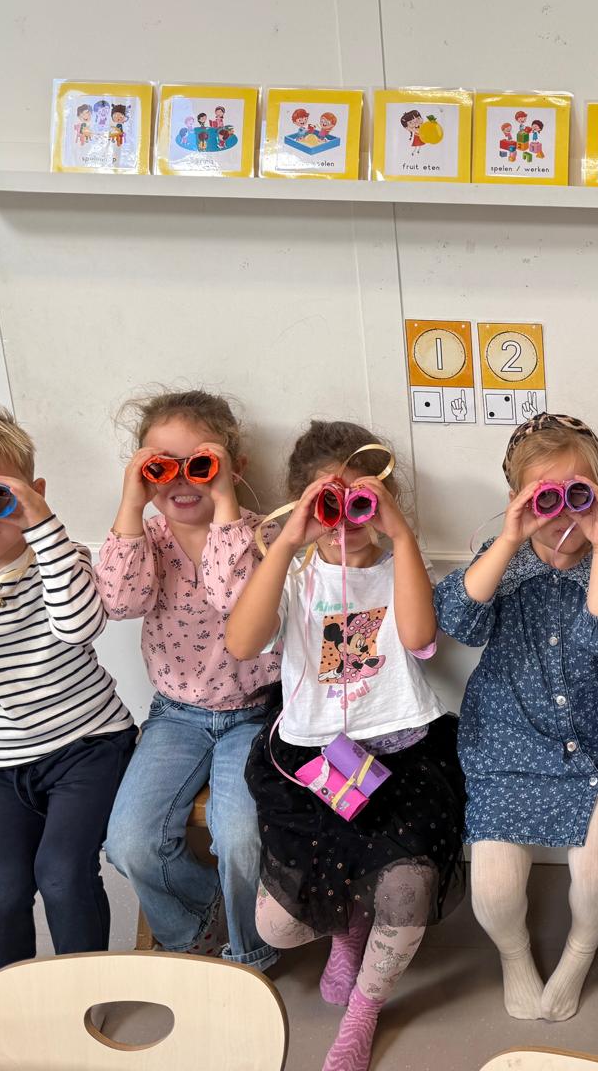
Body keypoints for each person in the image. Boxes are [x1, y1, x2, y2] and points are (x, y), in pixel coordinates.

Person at [228, 422, 464, 1071]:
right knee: (278, 925)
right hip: (312, 758)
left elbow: (419, 639)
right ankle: (346, 929)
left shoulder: (399, 566)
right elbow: (243, 643)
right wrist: (289, 541)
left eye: (359, 503)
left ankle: (365, 1008)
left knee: (407, 891)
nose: (344, 521)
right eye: (329, 505)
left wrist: (402, 537)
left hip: (402, 755)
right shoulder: (294, 573)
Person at [434, 413, 598, 1023]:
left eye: (579, 494)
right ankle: (514, 956)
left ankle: (579, 954)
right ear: (518, 499)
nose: (562, 512)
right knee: (493, 892)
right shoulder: (500, 565)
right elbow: (456, 624)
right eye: (546, 497)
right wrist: (510, 539)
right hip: (504, 745)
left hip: (588, 748)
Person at [0, 406, 134, 977]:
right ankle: (5, 997)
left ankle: (82, 990)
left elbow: (79, 627)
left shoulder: (61, 558)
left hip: (87, 745)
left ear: (33, 494)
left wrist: (43, 526)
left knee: (63, 874)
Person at [98, 390, 280, 970]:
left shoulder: (265, 536)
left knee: (242, 836)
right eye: (160, 467)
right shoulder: (146, 540)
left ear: (233, 467)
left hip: (256, 711)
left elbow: (235, 598)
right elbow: (119, 602)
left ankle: (249, 953)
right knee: (128, 843)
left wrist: (225, 501)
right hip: (175, 714)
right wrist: (132, 504)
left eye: (199, 465)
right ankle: (198, 925)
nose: (181, 480)